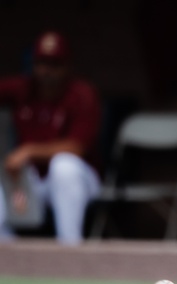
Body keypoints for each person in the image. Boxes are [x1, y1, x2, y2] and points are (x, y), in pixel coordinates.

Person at [0, 31, 102, 244]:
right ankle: (9, 258)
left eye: (54, 64)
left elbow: (76, 147)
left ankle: (69, 248)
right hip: (30, 183)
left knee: (64, 165)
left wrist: (28, 152)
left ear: (67, 66)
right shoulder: (23, 88)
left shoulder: (82, 94)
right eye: (42, 63)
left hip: (78, 181)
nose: (47, 71)